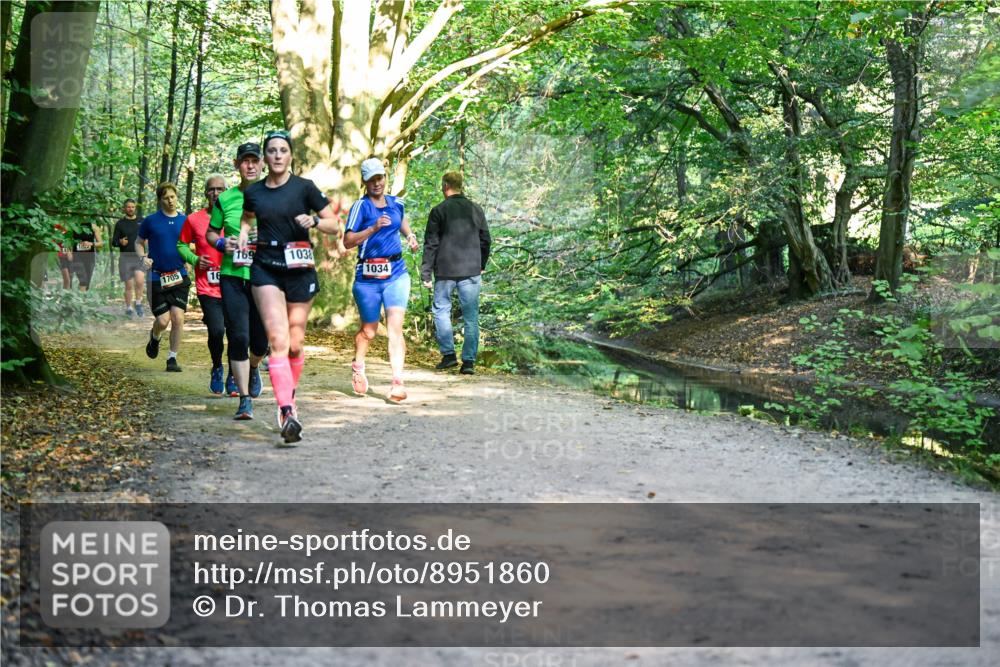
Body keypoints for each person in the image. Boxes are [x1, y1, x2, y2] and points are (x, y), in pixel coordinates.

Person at [238, 130, 338, 442]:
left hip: (300, 271)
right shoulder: (255, 192)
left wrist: (316, 223)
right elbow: (247, 216)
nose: (278, 155)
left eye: (283, 150)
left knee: (295, 344)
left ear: (290, 155)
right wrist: (243, 233)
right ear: (266, 157)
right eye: (272, 150)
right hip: (266, 269)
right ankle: (286, 410)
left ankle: (288, 396)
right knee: (278, 340)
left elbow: (335, 225)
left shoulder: (305, 188)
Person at [344, 157, 420, 402]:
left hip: (396, 273)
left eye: (380, 178)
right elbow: (347, 242)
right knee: (369, 331)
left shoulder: (396, 203)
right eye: (371, 180)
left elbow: (402, 222)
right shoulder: (360, 207)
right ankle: (358, 365)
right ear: (364, 182)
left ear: (385, 178)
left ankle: (398, 382)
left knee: (395, 328)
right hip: (367, 277)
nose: (377, 183)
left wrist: (410, 236)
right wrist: (373, 228)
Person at [206, 142, 269, 419]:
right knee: (238, 336)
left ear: (263, 164)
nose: (251, 165)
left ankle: (255, 368)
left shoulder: (274, 196)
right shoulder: (225, 199)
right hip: (233, 276)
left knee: (260, 343)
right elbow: (210, 233)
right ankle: (244, 399)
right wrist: (222, 243)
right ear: (237, 164)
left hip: (264, 277)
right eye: (245, 161)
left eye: (255, 160)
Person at [420, 170, 491, 375]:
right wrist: (481, 263)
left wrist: (426, 273)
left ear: (445, 186)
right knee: (471, 316)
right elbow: (486, 239)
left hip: (445, 270)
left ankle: (449, 356)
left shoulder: (439, 210)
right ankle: (468, 362)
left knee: (441, 310)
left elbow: (431, 244)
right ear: (461, 186)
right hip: (471, 270)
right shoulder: (475, 209)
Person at [179, 176, 228, 394]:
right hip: (207, 285)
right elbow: (181, 245)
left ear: (227, 192)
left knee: (237, 333)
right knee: (217, 331)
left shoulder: (236, 217)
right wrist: (195, 259)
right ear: (205, 193)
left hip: (234, 282)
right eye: (211, 190)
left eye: (220, 189)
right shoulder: (194, 219)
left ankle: (235, 374)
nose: (216, 193)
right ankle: (217, 366)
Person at [136, 183, 189, 372]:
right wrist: (143, 257)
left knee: (178, 317)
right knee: (163, 321)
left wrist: (191, 258)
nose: (170, 200)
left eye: (173, 196)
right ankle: (155, 336)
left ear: (177, 197)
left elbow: (191, 244)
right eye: (166, 197)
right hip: (157, 278)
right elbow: (139, 243)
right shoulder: (151, 221)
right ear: (160, 199)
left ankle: (172, 358)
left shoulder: (185, 221)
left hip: (179, 276)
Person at [112, 198, 146, 317]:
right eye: (128, 207)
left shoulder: (142, 221)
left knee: (140, 280)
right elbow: (114, 242)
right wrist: (120, 242)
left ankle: (138, 303)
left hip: (139, 256)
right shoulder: (120, 223)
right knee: (129, 285)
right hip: (125, 257)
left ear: (135, 208)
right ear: (124, 209)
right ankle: (129, 308)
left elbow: (148, 236)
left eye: (132, 207)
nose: (130, 209)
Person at [69, 221, 103, 292]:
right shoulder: (73, 224)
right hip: (77, 255)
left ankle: (81, 297)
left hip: (89, 256)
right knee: (83, 280)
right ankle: (82, 301)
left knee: (87, 283)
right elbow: (68, 241)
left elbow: (100, 243)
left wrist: (91, 243)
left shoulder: (93, 226)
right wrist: (69, 252)